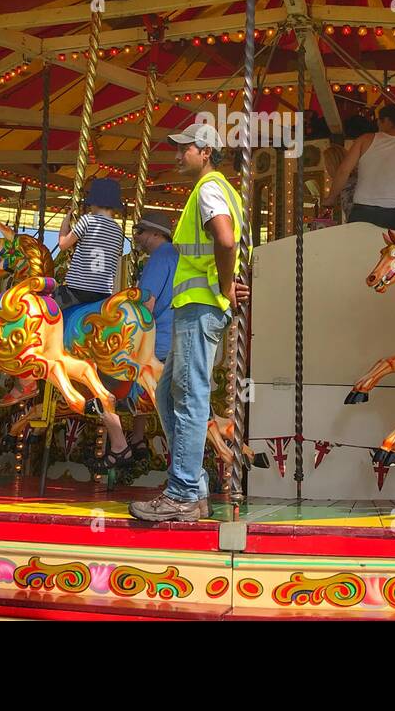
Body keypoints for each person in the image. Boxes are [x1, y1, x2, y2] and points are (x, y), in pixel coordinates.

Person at [130, 122, 249, 523]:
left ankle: (181, 492)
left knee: (190, 394)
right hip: (193, 306)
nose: (178, 156)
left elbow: (226, 239)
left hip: (200, 307)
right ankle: (193, 487)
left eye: (184, 149)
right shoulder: (214, 190)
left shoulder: (209, 189)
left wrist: (226, 283)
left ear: (205, 151)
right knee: (167, 394)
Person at [322, 105, 395, 233]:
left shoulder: (364, 140)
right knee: (391, 252)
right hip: (392, 215)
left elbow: (343, 171)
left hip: (362, 212)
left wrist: (331, 197)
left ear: (388, 121)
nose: (377, 124)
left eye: (379, 120)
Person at [127, 210, 179, 454]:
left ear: (156, 233)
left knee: (124, 376)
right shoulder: (176, 256)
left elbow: (146, 305)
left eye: (141, 232)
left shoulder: (158, 258)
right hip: (174, 337)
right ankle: (137, 437)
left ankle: (125, 441)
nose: (137, 237)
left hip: (158, 338)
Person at [58, 177, 125, 307]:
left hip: (78, 290)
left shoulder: (87, 221)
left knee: (46, 307)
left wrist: (66, 220)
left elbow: (63, 244)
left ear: (93, 203)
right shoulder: (118, 231)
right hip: (103, 293)